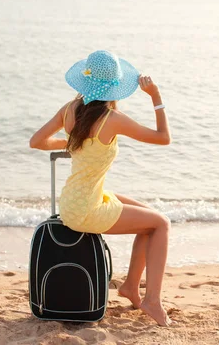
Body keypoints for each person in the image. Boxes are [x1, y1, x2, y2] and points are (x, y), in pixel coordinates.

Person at [29, 50, 173, 326]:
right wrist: (155, 96)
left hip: (75, 199)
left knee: (150, 219)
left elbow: (37, 141)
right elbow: (163, 138)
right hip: (87, 209)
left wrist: (73, 143)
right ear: (115, 86)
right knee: (161, 224)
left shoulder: (70, 110)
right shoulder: (111, 119)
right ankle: (152, 300)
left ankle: (131, 286)